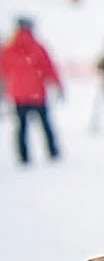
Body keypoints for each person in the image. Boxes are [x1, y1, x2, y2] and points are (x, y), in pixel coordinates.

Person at [0, 17, 61, 164]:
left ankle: (23, 155)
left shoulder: (9, 49)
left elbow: (2, 71)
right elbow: (49, 68)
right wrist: (58, 85)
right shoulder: (37, 47)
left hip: (19, 95)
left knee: (21, 127)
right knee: (45, 124)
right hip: (37, 93)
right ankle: (53, 151)